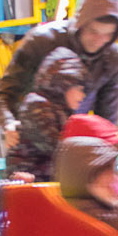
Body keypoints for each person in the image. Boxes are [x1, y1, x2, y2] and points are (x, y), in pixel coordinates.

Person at [0, 0, 118, 152]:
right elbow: (3, 94)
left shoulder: (113, 56)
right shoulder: (42, 40)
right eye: (93, 31)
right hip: (30, 142)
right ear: (80, 23)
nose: (99, 41)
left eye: (108, 34)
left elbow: (107, 116)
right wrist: (8, 123)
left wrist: (107, 148)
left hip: (73, 145)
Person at [6, 48, 87, 183]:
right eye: (79, 89)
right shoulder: (37, 105)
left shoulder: (60, 109)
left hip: (46, 182)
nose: (82, 96)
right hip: (27, 183)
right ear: (63, 84)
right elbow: (57, 149)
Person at [55, 115, 118, 233]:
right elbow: (112, 226)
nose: (111, 178)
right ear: (88, 173)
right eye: (105, 171)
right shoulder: (83, 210)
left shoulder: (92, 201)